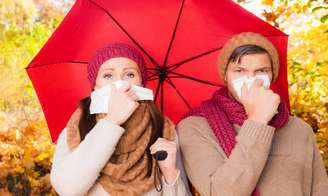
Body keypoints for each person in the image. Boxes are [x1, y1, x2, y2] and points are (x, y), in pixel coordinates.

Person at [177, 32, 328, 196]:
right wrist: (257, 121)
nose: (251, 79)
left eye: (261, 70)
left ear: (272, 76)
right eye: (240, 70)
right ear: (225, 76)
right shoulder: (194, 127)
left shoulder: (299, 129)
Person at [50, 43, 190, 196]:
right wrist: (112, 121)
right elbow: (67, 189)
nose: (120, 83)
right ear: (95, 87)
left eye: (130, 75)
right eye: (108, 75)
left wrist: (170, 174)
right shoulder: (75, 130)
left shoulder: (164, 130)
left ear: (141, 83)